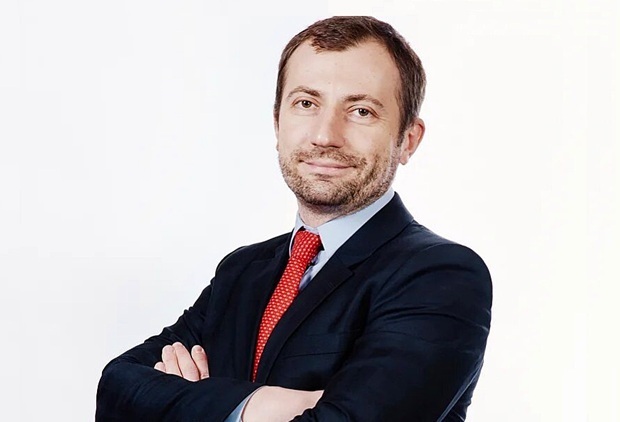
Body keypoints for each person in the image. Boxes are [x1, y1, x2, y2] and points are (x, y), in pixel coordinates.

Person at [96, 16, 492, 421]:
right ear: (277, 122)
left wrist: (193, 402)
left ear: (408, 139)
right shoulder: (240, 272)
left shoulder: (440, 276)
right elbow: (116, 388)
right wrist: (263, 405)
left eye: (361, 111)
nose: (325, 135)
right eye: (306, 104)